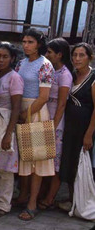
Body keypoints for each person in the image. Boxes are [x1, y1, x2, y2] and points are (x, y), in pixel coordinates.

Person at [14, 28, 54, 221]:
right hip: (21, 111)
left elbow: (44, 97)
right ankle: (22, 195)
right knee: (24, 158)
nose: (26, 45)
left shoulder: (45, 65)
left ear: (39, 44)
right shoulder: (21, 63)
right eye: (24, 42)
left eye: (30, 42)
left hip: (35, 112)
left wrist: (25, 113)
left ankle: (32, 203)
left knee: (37, 159)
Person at [0, 42, 23, 218]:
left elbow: (16, 107)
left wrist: (9, 133)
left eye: (5, 56)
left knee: (5, 167)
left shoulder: (14, 77)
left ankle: (3, 205)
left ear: (12, 59)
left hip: (5, 122)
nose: (0, 59)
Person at [59, 43, 95, 210]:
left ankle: (84, 203)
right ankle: (74, 200)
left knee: (83, 164)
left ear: (90, 57)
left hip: (84, 128)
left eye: (82, 55)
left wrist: (89, 134)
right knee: (71, 163)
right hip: (70, 127)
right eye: (75, 55)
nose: (77, 59)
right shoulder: (72, 76)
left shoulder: (92, 78)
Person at [39, 38, 72, 209]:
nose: (47, 55)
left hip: (55, 122)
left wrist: (53, 126)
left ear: (59, 55)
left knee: (55, 163)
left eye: (50, 52)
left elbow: (61, 103)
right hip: (46, 117)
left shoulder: (65, 74)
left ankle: (50, 198)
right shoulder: (51, 71)